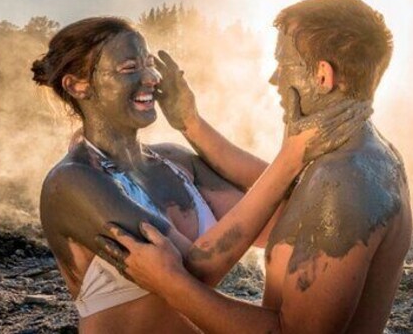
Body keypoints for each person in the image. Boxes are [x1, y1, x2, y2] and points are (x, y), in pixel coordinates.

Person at [100, 0, 412, 334]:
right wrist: (190, 122)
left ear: (322, 76)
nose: (274, 79)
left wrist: (170, 283)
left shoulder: (344, 180)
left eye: (283, 63)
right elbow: (276, 182)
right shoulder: (360, 150)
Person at [33, 17, 368, 333]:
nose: (150, 78)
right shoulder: (72, 182)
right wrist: (290, 158)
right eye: (130, 68)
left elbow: (290, 217)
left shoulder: (175, 161)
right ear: (77, 86)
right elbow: (195, 271)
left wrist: (190, 123)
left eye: (149, 63)